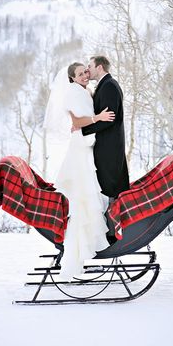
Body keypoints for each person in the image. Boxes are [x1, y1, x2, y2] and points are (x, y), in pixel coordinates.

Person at [43, 62, 115, 281]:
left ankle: (86, 247)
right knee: (83, 197)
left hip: (87, 144)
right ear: (72, 78)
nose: (85, 75)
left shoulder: (85, 90)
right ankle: (78, 252)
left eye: (86, 71)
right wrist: (98, 118)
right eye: (80, 74)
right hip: (81, 148)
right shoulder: (73, 93)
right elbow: (76, 121)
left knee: (88, 194)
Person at [71, 56, 129, 200]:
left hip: (109, 146)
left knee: (110, 184)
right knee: (107, 183)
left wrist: (83, 129)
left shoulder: (109, 85)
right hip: (106, 143)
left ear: (99, 67)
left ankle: (114, 216)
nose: (87, 71)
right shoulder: (105, 85)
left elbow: (109, 119)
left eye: (89, 66)